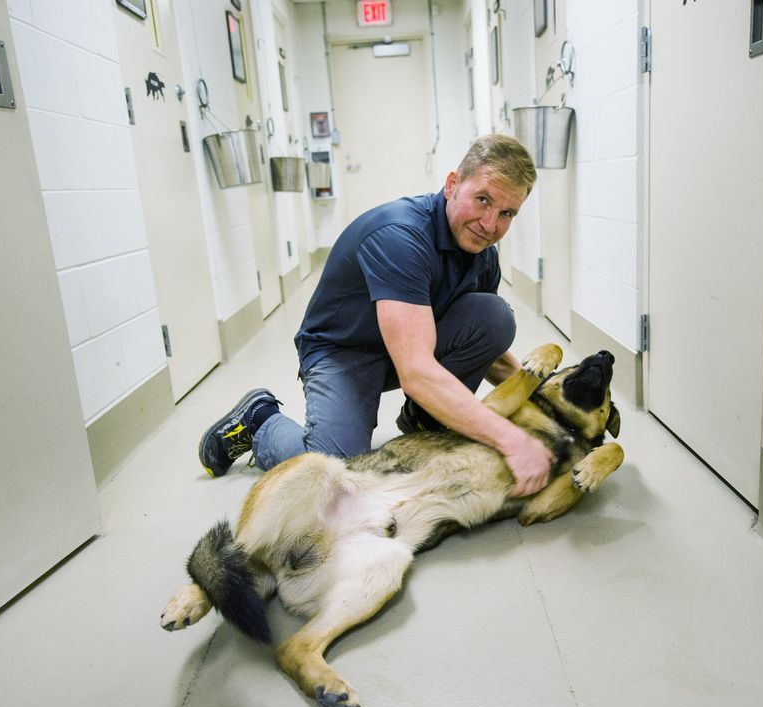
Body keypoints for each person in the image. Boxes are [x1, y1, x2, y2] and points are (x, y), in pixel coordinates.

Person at [198, 134, 555, 497]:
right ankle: (260, 422)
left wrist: (547, 397)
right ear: (452, 185)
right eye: (483, 200)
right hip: (343, 352)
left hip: (407, 346)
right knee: (336, 476)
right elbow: (416, 372)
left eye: (507, 213)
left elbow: (486, 346)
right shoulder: (400, 236)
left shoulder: (483, 254)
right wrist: (512, 440)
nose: (490, 224)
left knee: (494, 316)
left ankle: (426, 421)